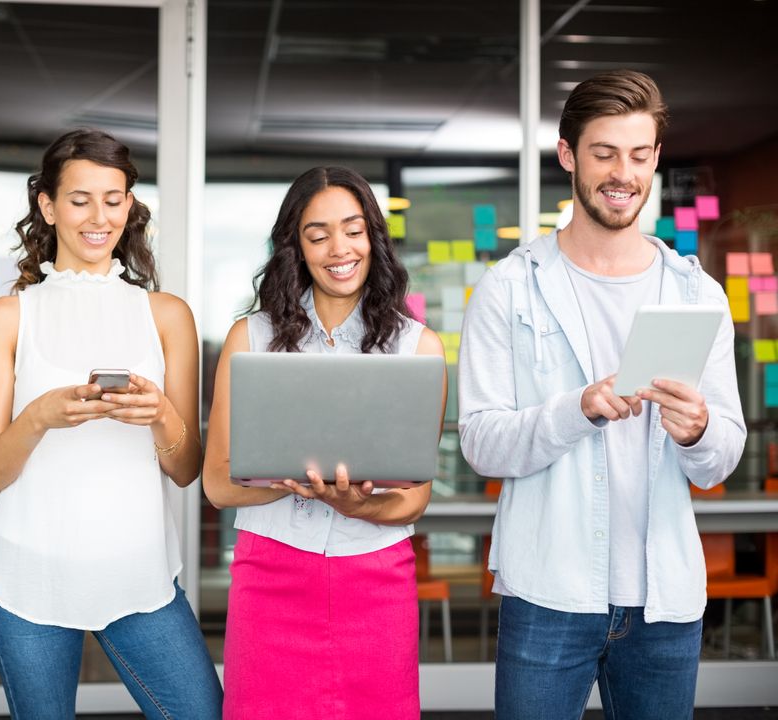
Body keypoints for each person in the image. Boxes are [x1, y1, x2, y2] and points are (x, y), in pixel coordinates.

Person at [458, 70, 746, 720]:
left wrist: (698, 429)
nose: (624, 173)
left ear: (655, 159)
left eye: (640, 155)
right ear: (567, 154)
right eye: (605, 153)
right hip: (548, 592)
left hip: (664, 601)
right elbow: (481, 443)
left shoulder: (696, 293)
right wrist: (578, 408)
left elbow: (720, 456)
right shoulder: (509, 289)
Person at [0, 128, 222, 720]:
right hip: (27, 576)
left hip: (140, 575)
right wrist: (38, 418)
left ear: (130, 205)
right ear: (48, 205)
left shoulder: (167, 315)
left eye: (113, 199)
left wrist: (162, 416)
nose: (98, 216)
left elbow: (187, 471)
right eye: (80, 199)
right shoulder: (6, 318)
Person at [202, 166, 445, 719]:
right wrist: (294, 483)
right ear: (297, 247)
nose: (340, 248)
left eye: (354, 230)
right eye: (318, 234)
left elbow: (414, 497)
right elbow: (218, 483)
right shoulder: (252, 338)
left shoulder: (417, 348)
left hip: (376, 579)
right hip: (271, 576)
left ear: (373, 238)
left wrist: (356, 504)